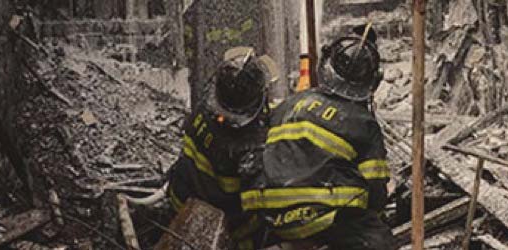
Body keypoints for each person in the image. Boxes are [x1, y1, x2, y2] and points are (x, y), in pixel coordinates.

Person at [241, 29, 393, 249]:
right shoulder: (363, 122)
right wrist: (372, 220)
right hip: (326, 220)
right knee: (379, 242)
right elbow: (376, 190)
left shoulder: (290, 103)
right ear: (372, 82)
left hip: (269, 218)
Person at [164, 48, 271, 248]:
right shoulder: (248, 147)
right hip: (225, 233)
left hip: (179, 207)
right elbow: (255, 211)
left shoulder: (204, 109)